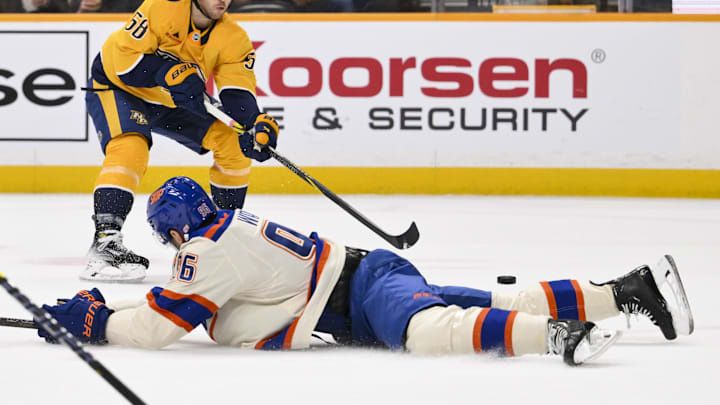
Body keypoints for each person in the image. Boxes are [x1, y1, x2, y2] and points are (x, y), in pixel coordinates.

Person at [38, 176, 694, 366]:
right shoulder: (228, 230)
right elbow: (181, 306)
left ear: (175, 228)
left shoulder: (205, 252)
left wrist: (96, 320)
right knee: (495, 297)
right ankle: (625, 292)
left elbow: (160, 325)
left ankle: (562, 337)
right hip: (364, 280)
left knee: (430, 329)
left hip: (362, 291)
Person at [82, 0, 280, 282]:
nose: (222, 0)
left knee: (234, 144)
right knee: (131, 146)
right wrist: (165, 71)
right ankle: (106, 244)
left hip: (170, 100)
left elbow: (237, 92)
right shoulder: (161, 7)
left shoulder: (234, 37)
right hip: (118, 87)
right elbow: (124, 63)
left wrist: (254, 124)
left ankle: (222, 238)